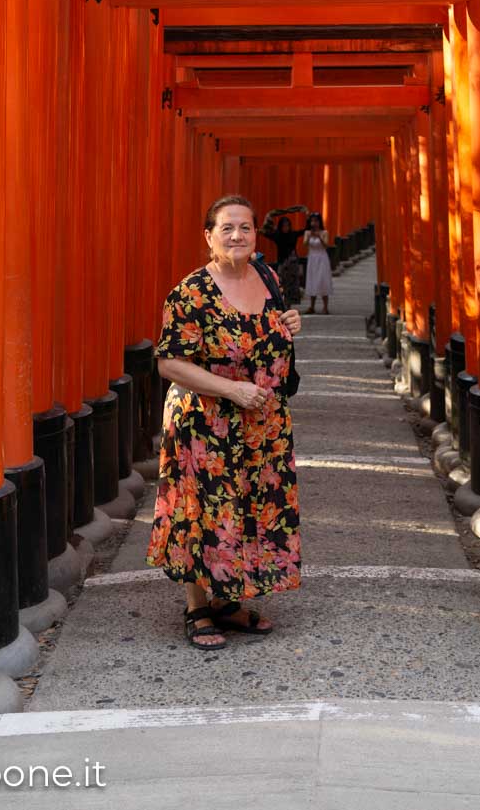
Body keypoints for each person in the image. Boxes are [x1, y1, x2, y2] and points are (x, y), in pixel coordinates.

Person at [149, 195, 304, 649]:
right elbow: (169, 364)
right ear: (209, 236)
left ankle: (226, 598)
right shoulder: (192, 291)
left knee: (247, 511)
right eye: (227, 228)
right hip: (206, 423)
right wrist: (231, 389)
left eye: (246, 228)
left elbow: (270, 338)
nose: (237, 236)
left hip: (262, 424)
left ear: (257, 235)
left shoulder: (268, 277)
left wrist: (290, 322)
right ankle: (198, 606)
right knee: (203, 510)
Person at [302, 212, 333, 315]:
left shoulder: (324, 232)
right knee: (312, 281)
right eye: (312, 221)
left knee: (323, 280)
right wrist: (310, 235)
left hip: (322, 258)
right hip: (312, 258)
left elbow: (326, 245)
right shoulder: (307, 232)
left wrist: (319, 236)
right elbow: (305, 244)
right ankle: (312, 306)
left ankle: (325, 306)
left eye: (316, 221)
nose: (314, 223)